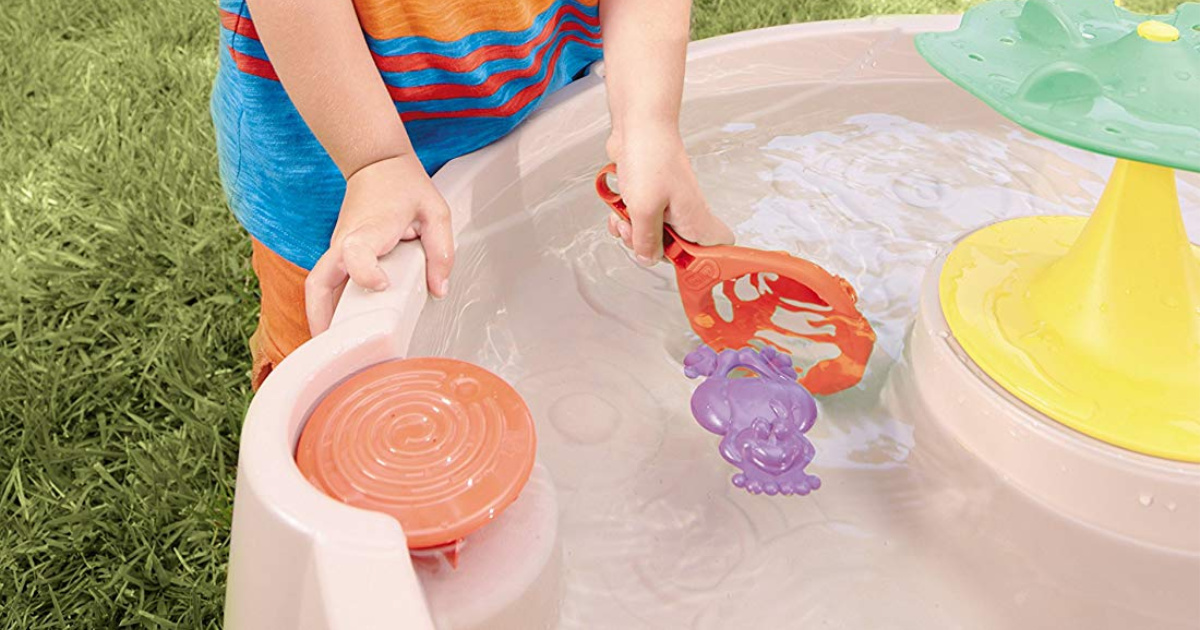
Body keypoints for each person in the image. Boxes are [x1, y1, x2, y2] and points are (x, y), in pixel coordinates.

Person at [212, 0, 734, 388]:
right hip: (341, 145)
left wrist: (646, 121)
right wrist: (375, 160)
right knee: (340, 372)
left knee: (523, 293)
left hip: (524, 97)